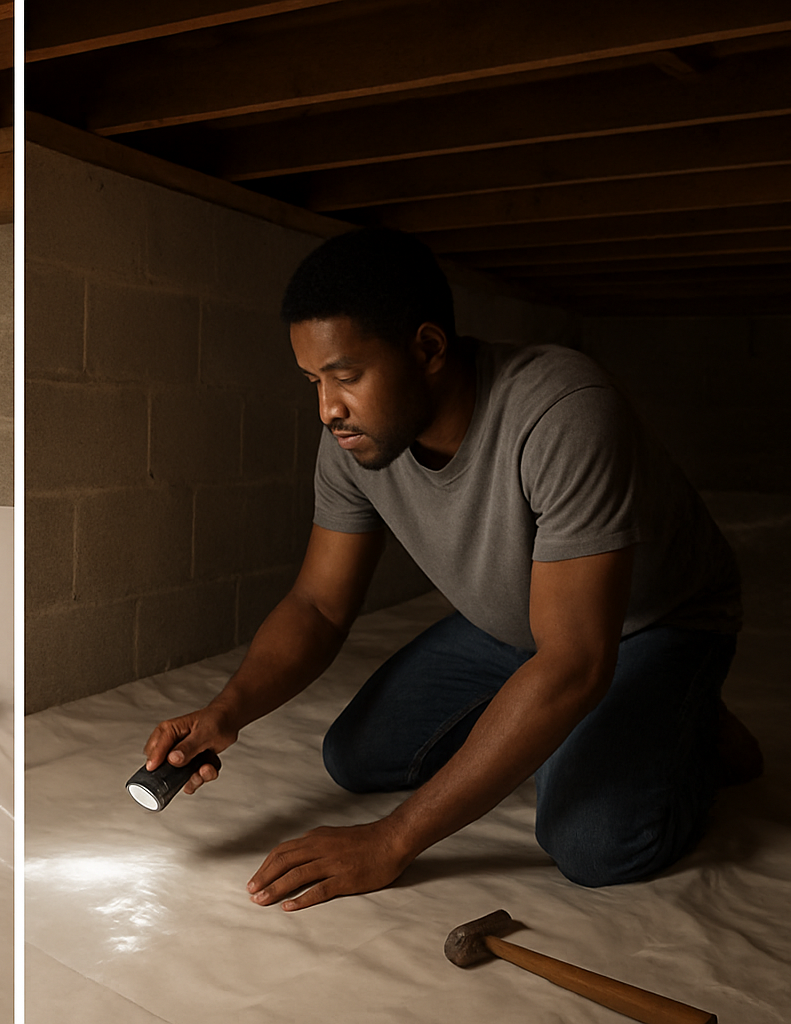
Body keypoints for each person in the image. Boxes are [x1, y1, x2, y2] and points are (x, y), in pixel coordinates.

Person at [143, 227, 760, 912]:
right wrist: (227, 712)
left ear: (428, 348)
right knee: (356, 756)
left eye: (347, 376)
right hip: (521, 626)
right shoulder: (354, 440)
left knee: (592, 844)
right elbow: (318, 607)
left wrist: (393, 839)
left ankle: (692, 727)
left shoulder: (563, 410)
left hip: (650, 626)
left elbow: (577, 663)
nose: (327, 409)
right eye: (314, 381)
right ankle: (562, 729)